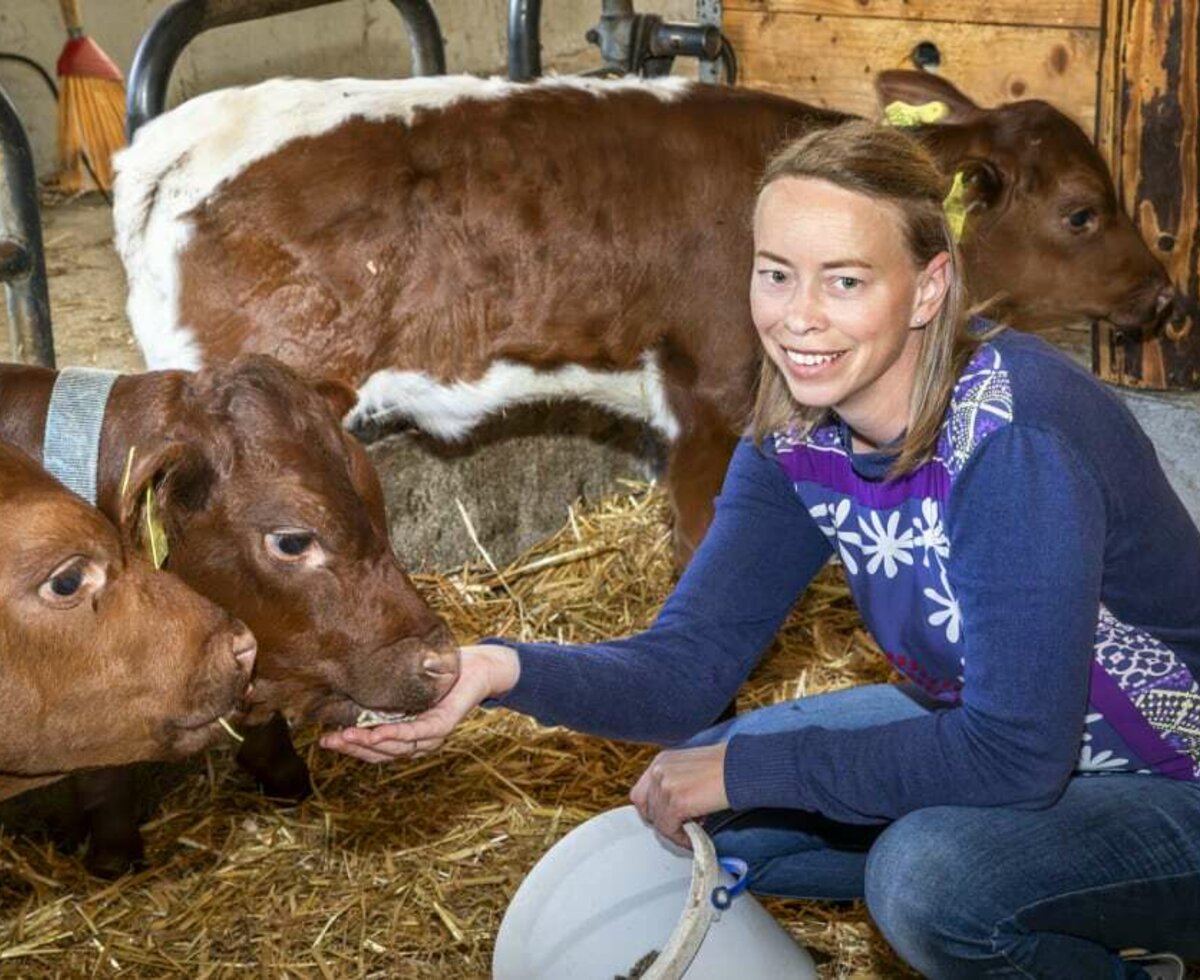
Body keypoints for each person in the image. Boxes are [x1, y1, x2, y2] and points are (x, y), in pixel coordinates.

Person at [322, 120, 1200, 978]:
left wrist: (753, 766)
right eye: (776, 274)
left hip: (1174, 774)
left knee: (933, 879)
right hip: (1018, 738)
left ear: (929, 289)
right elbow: (684, 672)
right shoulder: (800, 434)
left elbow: (1015, 758)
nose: (799, 319)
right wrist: (495, 671)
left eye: (846, 281)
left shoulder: (1010, 439)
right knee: (708, 819)